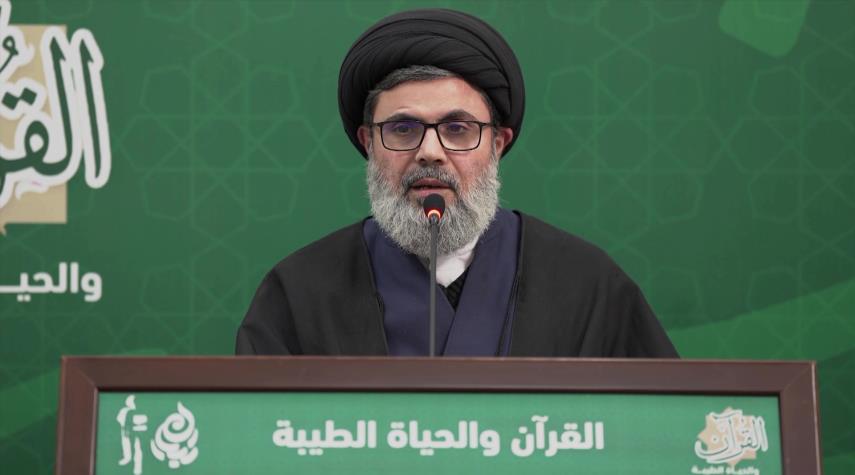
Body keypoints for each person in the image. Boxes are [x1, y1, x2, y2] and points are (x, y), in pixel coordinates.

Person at [235, 9, 677, 358]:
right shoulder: (299, 291)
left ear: (498, 144)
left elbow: (655, 427)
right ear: (368, 142)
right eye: (403, 129)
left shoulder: (586, 284)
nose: (430, 152)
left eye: (458, 129)